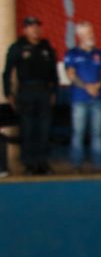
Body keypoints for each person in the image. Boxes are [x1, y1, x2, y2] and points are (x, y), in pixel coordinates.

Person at [3, 16, 58, 175]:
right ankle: (29, 163)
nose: (35, 29)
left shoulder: (46, 47)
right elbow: (7, 72)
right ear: (25, 30)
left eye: (37, 26)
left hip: (44, 90)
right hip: (26, 90)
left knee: (44, 128)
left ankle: (42, 162)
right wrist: (8, 93)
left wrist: (54, 92)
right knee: (28, 128)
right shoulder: (18, 47)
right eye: (31, 27)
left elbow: (53, 74)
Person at [64, 21, 101, 173]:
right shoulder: (72, 53)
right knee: (78, 133)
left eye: (92, 32)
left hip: (98, 99)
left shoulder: (100, 54)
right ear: (80, 36)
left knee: (97, 133)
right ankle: (76, 165)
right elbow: (70, 74)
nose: (92, 35)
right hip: (79, 99)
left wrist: (98, 85)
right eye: (88, 33)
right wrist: (86, 87)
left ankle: (98, 164)